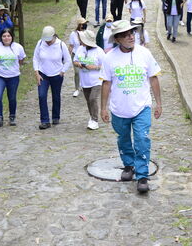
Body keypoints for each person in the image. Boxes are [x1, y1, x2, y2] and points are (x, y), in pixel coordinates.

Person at [100, 20, 162, 193]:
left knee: (142, 139)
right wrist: (103, 108)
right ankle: (129, 165)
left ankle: (142, 175)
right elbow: (106, 83)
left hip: (141, 106)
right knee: (123, 138)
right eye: (126, 34)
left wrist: (159, 103)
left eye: (132, 33)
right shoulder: (109, 58)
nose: (130, 36)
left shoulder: (145, 54)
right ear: (117, 39)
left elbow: (154, 78)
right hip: (119, 108)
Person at [33, 26, 71, 129]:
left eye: (49, 40)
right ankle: (45, 120)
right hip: (43, 74)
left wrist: (63, 71)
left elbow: (68, 60)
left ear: (54, 36)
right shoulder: (40, 43)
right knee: (41, 96)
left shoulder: (61, 45)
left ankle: (55, 116)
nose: (47, 42)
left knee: (56, 96)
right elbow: (35, 58)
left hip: (56, 75)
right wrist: (36, 72)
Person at [0, 28, 26, 128]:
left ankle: (12, 116)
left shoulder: (18, 47)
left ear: (12, 37)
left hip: (13, 76)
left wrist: (15, 68)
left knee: (12, 97)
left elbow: (21, 59)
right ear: (1, 37)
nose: (6, 38)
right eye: (4, 36)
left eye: (8, 36)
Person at [73, 29, 106, 130]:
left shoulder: (99, 51)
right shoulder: (80, 49)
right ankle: (92, 117)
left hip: (96, 80)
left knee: (93, 98)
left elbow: (105, 65)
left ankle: (95, 120)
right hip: (85, 80)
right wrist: (79, 64)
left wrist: (94, 67)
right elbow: (75, 61)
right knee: (88, 100)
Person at [68, 17, 88, 97]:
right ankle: (77, 88)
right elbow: (71, 46)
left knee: (84, 71)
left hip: (84, 55)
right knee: (77, 72)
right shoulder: (73, 34)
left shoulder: (86, 33)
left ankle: (84, 86)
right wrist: (68, 56)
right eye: (83, 24)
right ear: (79, 25)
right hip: (75, 54)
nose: (85, 25)